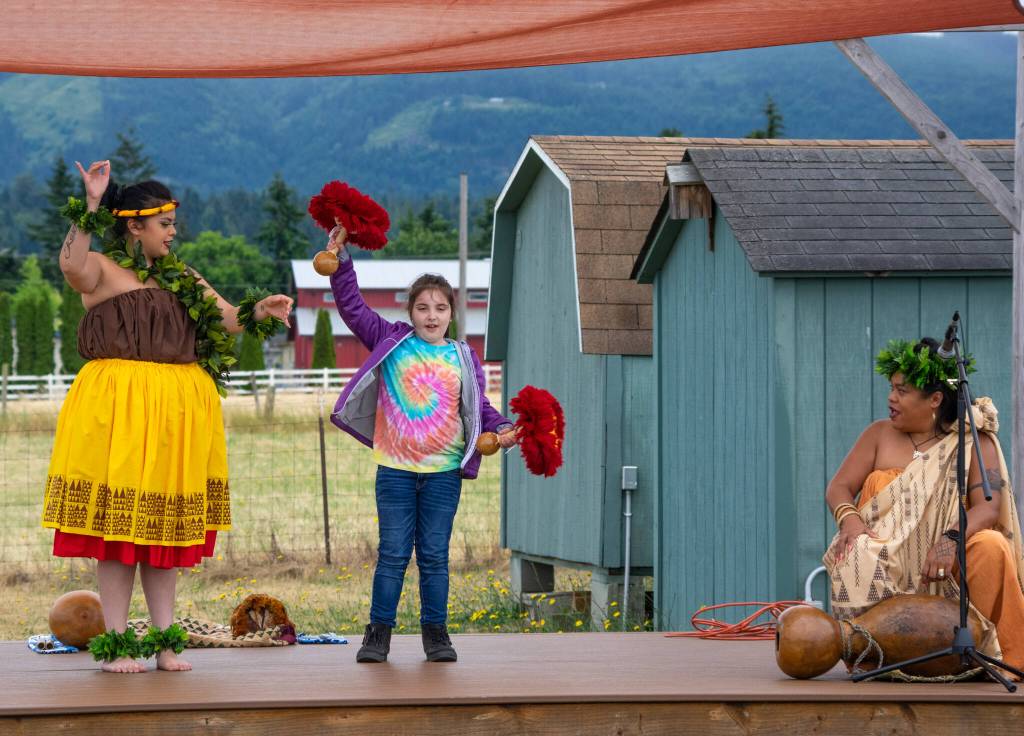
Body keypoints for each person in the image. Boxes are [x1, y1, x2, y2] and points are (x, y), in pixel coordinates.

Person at [41, 160, 292, 673]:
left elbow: (225, 315)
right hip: (120, 410)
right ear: (134, 225)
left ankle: (165, 639)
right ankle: (115, 644)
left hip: (177, 414)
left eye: (174, 224)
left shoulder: (183, 277)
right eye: (165, 224)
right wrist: (92, 204)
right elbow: (70, 265)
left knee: (165, 531)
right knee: (119, 531)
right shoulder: (102, 271)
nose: (174, 233)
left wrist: (261, 310)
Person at [324, 225, 516, 663]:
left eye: (441, 308)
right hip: (394, 469)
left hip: (444, 474)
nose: (431, 315)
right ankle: (378, 634)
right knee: (391, 554)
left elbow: (479, 409)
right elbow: (353, 308)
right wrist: (342, 261)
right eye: (423, 307)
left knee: (433, 556)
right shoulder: (392, 340)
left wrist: (503, 427)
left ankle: (436, 635)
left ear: (452, 313)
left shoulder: (463, 357)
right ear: (409, 312)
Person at [823, 337, 1024, 676]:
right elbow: (839, 487)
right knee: (857, 550)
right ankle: (876, 655)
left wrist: (949, 540)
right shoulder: (878, 434)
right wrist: (851, 520)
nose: (891, 397)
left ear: (934, 399)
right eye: (891, 388)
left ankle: (990, 657)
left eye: (902, 391)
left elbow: (988, 508)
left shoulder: (974, 440)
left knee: (990, 546)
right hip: (886, 554)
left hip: (946, 560)